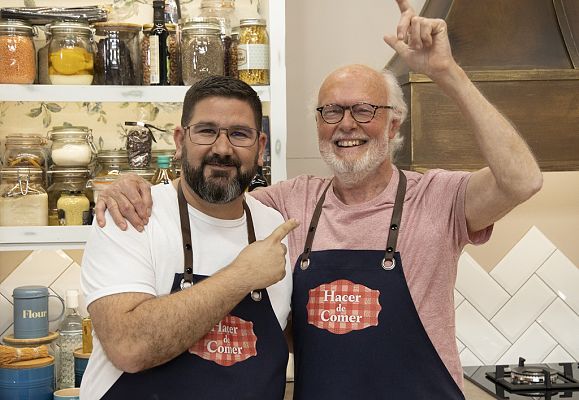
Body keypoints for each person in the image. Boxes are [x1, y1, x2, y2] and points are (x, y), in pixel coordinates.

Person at [94, 2, 543, 398]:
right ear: (318, 125)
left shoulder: (439, 198)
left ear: (393, 125)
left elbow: (522, 180)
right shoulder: (286, 207)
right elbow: (214, 194)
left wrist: (448, 73)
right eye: (332, 111)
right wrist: (130, 183)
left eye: (364, 110)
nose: (347, 124)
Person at [80, 76, 299, 399]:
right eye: (207, 131)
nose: (222, 149)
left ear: (261, 147)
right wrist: (242, 276)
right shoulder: (131, 215)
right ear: (180, 140)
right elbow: (128, 346)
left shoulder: (275, 222)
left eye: (239, 134)